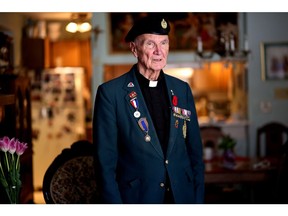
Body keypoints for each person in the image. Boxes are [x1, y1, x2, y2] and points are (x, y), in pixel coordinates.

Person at [93, 15, 204, 204]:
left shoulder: (181, 89)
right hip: (138, 199)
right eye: (151, 44)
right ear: (134, 49)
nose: (159, 51)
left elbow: (195, 154)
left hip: (181, 197)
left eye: (164, 43)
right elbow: (105, 165)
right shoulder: (110, 94)